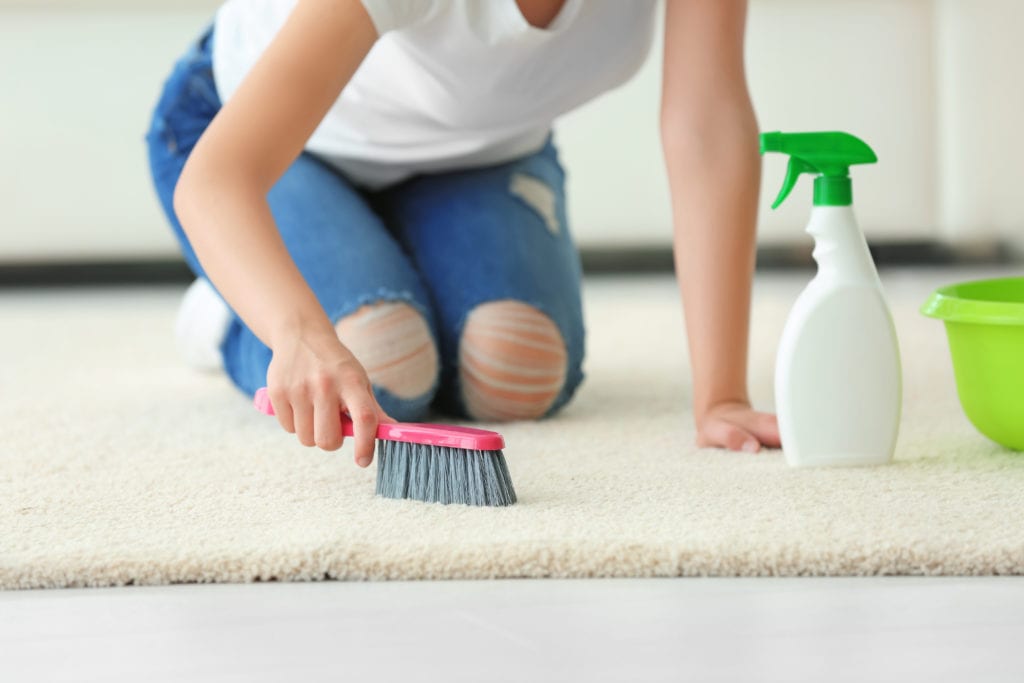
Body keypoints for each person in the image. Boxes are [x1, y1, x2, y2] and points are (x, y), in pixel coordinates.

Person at [145, 0, 781, 469]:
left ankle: (378, 264)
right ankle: (230, 314)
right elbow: (218, 181)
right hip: (272, 145)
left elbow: (706, 124)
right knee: (383, 360)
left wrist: (721, 395)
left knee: (515, 368)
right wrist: (298, 329)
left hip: (477, 156)